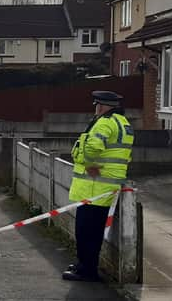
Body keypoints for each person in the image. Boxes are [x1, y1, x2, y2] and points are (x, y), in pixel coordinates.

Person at [62, 91, 134, 282]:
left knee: (85, 233)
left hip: (94, 188)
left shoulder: (104, 122)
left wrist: (89, 163)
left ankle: (87, 270)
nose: (95, 109)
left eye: (96, 106)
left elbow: (93, 147)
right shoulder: (124, 123)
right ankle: (84, 265)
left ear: (101, 106)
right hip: (106, 188)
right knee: (92, 233)